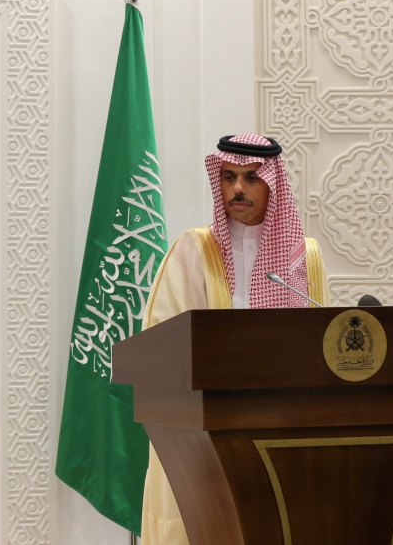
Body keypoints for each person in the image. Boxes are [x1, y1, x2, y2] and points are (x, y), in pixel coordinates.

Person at [138, 132, 328, 545]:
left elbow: (320, 347)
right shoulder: (193, 250)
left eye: (251, 177)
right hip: (204, 428)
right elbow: (160, 341)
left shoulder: (303, 258)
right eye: (228, 177)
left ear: (272, 184)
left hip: (279, 423)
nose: (238, 188)